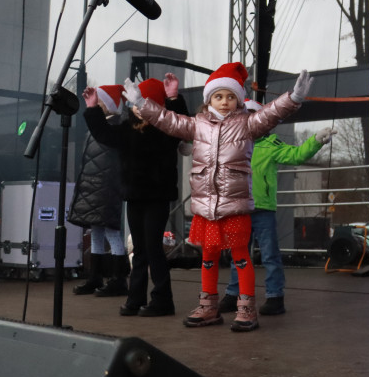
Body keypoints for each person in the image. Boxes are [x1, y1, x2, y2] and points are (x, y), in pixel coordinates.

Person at [126, 64, 313, 332]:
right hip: (206, 208)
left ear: (238, 99)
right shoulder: (197, 125)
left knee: (240, 257)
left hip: (234, 206)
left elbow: (271, 114)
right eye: (218, 96)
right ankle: (208, 306)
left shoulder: (247, 124)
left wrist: (293, 98)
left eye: (230, 96)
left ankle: (246, 308)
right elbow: (168, 120)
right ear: (208, 100)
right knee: (209, 256)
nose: (224, 102)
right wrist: (143, 103)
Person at [218, 99, 334, 317]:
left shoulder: (271, 144)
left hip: (261, 209)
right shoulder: (232, 144)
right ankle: (234, 294)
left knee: (269, 255)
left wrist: (316, 141)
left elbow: (297, 155)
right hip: (239, 209)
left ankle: (274, 297)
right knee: (238, 255)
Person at [84, 77, 188, 317]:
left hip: (157, 197)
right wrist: (92, 109)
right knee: (140, 249)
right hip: (134, 197)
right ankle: (135, 298)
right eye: (134, 103)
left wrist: (173, 98)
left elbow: (180, 122)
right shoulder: (126, 129)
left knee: (152, 248)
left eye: (143, 103)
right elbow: (104, 134)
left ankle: (163, 300)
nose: (137, 108)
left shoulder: (165, 129)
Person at [69, 84, 130, 297]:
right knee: (95, 230)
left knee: (112, 231)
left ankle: (118, 279)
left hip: (107, 186)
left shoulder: (116, 127)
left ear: (112, 105)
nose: (98, 105)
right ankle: (94, 277)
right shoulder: (99, 126)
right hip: (94, 186)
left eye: (102, 102)